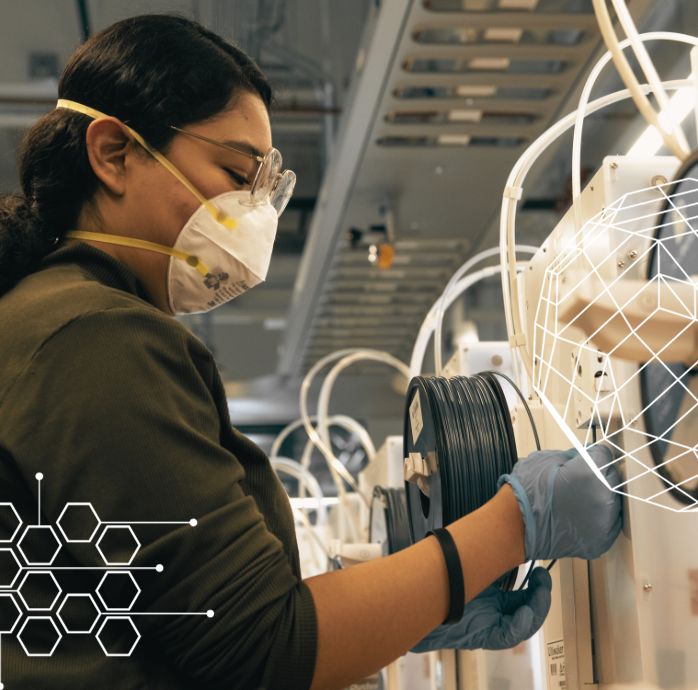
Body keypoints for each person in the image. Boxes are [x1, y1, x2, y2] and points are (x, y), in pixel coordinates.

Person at [0, 15, 622, 690]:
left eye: (265, 188)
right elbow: (268, 649)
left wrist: (409, 606)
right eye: (238, 173)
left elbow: (182, 626)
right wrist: (511, 526)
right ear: (113, 153)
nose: (253, 214)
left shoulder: (64, 322)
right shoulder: (93, 338)